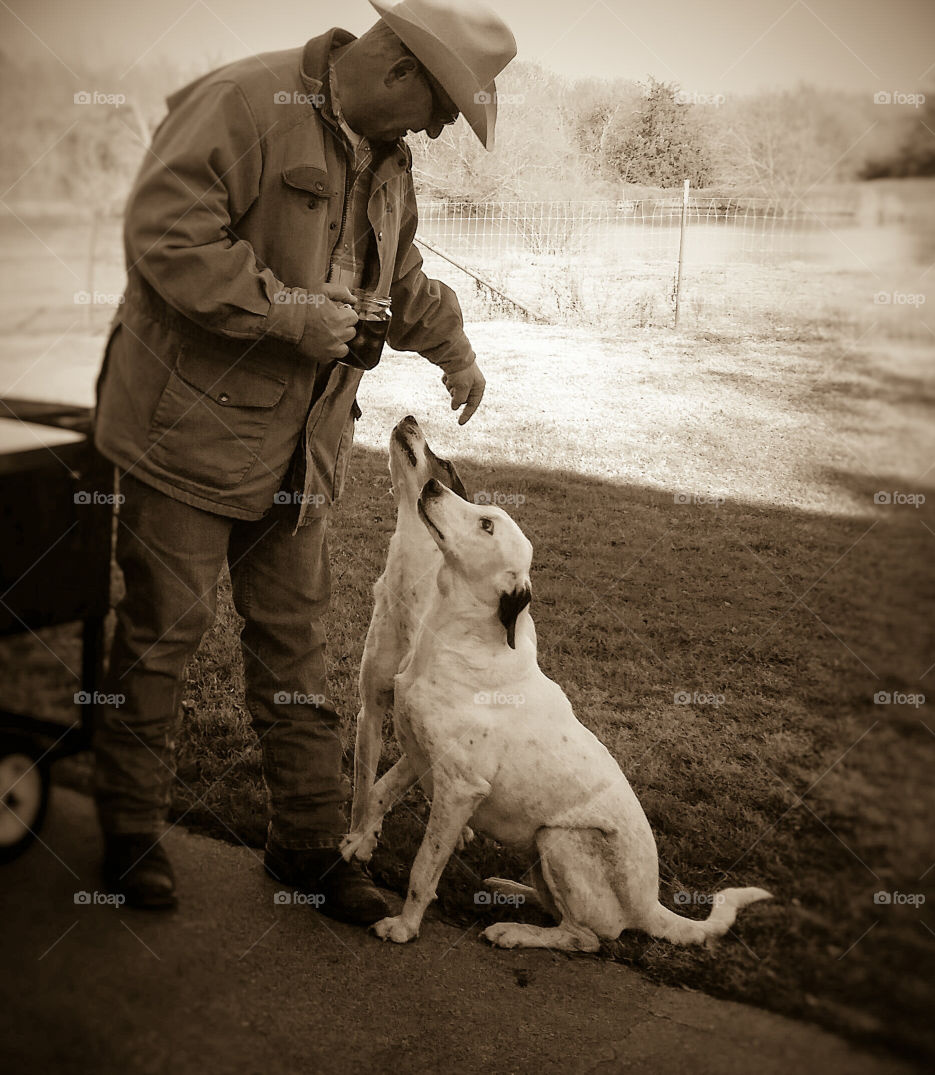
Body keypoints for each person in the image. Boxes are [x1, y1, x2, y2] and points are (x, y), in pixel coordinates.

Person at [91, 0, 517, 921]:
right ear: (401, 70)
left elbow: (397, 284)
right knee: (160, 642)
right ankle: (128, 836)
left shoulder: (390, 162)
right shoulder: (243, 104)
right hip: (185, 439)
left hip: (301, 450)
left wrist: (456, 350)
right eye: (437, 115)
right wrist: (289, 313)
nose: (434, 135)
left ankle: (308, 849)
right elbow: (165, 238)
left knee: (297, 650)